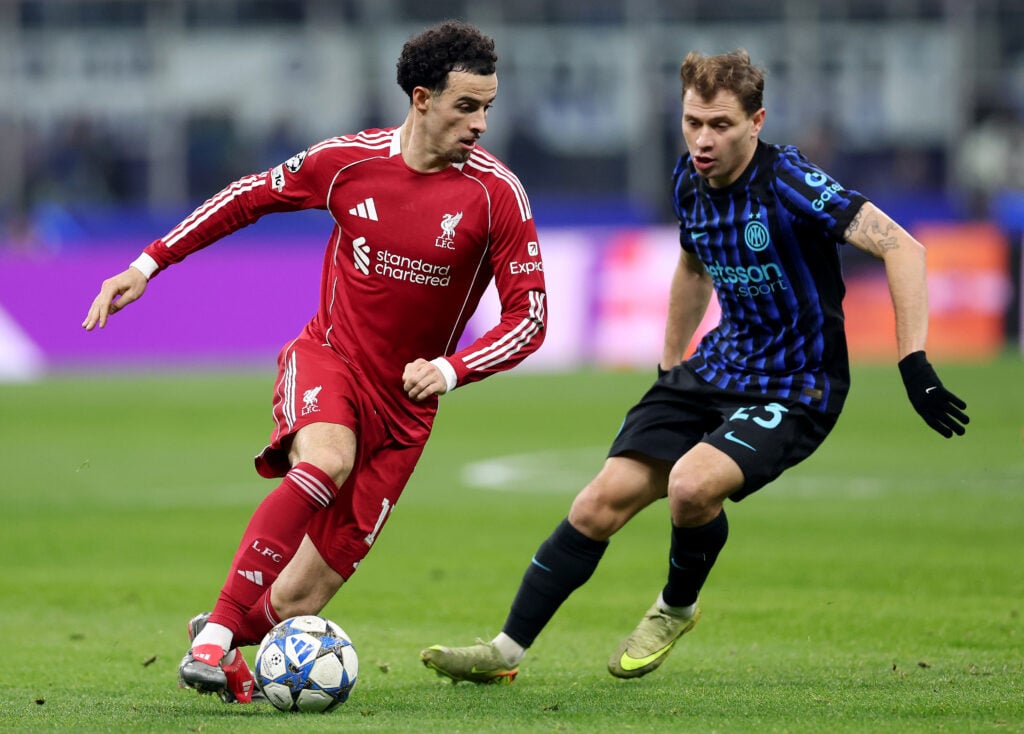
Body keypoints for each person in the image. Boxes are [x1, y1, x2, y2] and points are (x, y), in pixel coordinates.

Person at [420, 49, 968, 684]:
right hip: (716, 367)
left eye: (721, 125)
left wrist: (914, 364)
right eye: (692, 123)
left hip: (796, 385)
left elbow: (903, 247)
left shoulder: (789, 181)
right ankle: (504, 653)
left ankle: (675, 608)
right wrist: (670, 363)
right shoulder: (688, 180)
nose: (703, 140)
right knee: (600, 502)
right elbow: (691, 264)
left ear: (756, 121)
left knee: (690, 485)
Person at [82, 20, 547, 703]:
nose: (480, 124)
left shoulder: (494, 195)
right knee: (324, 460)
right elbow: (248, 198)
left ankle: (225, 641)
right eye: (466, 107)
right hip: (330, 357)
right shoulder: (348, 162)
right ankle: (215, 641)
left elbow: (529, 318)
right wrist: (149, 262)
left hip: (407, 410)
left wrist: (452, 370)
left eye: (488, 108)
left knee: (300, 597)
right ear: (421, 99)